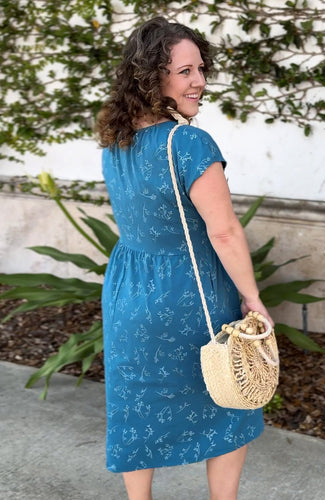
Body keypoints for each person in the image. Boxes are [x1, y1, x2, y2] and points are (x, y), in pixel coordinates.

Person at [96, 16, 274, 500]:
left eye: (200, 69)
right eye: (184, 71)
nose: (198, 82)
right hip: (188, 291)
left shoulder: (117, 142)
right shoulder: (188, 142)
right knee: (229, 395)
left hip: (128, 291)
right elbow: (223, 231)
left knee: (136, 403)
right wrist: (252, 298)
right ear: (151, 76)